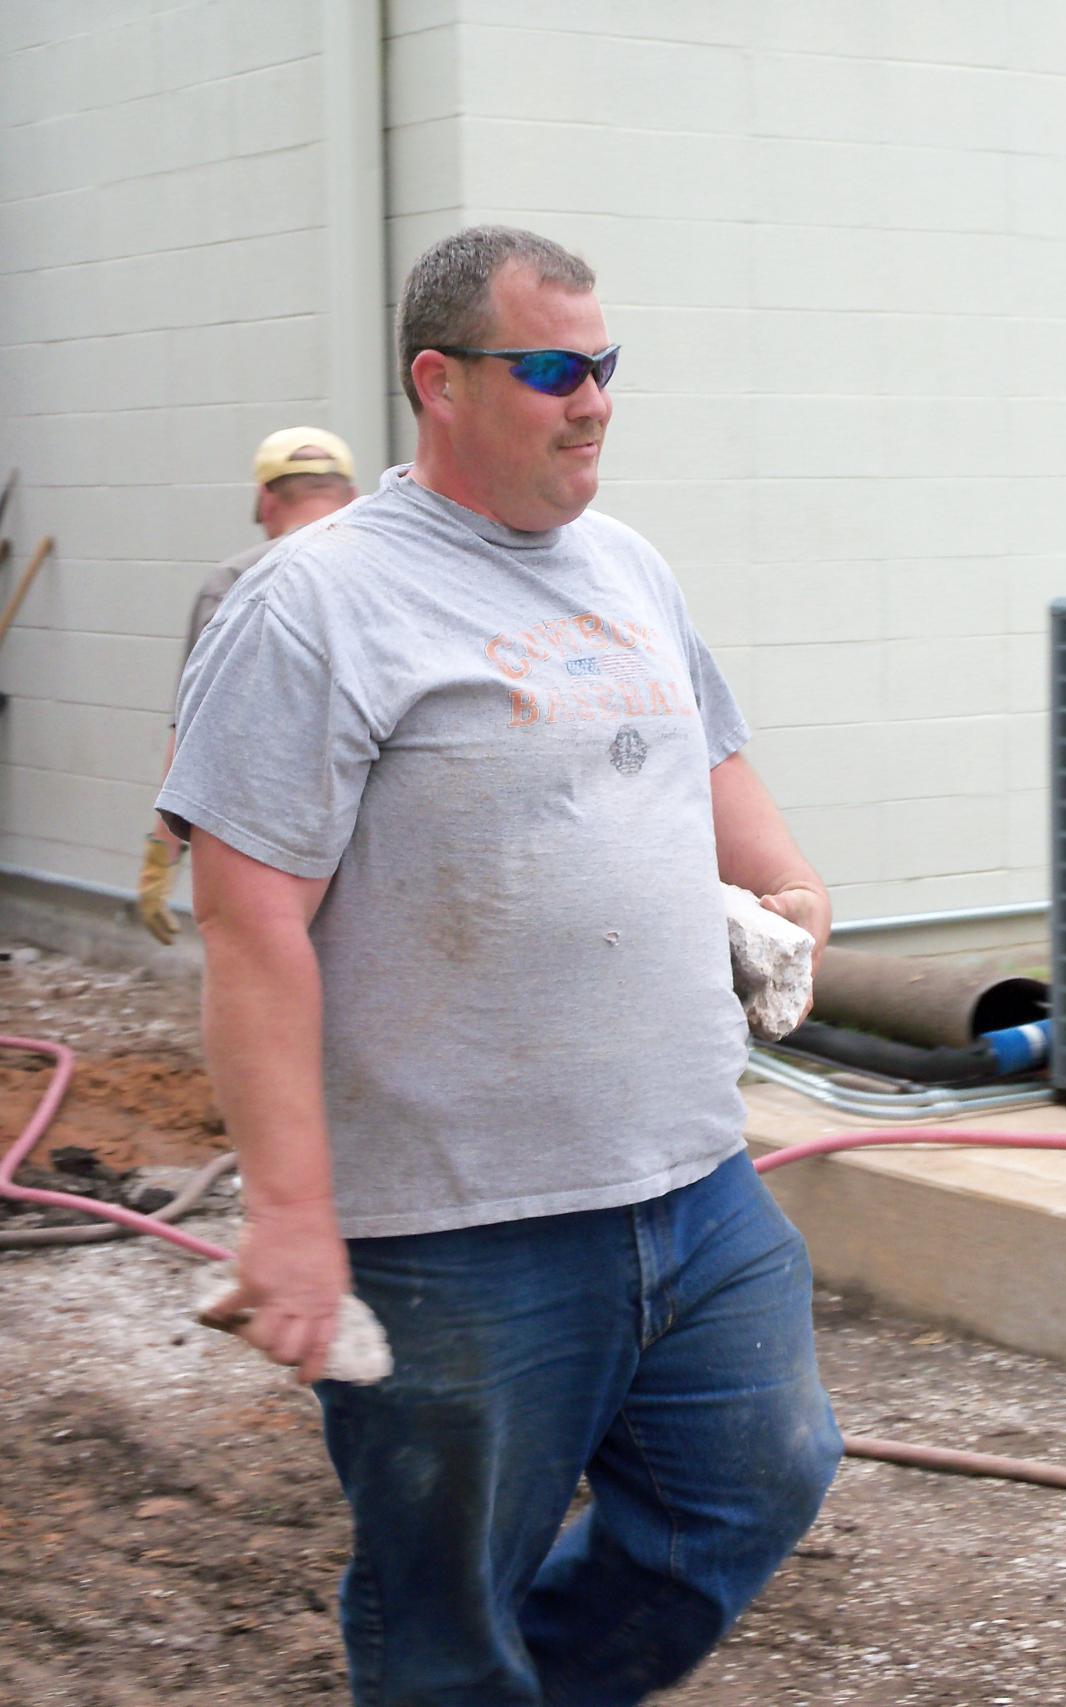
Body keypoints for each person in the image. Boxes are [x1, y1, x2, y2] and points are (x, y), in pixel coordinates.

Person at [158, 226, 843, 1706]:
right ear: (440, 381)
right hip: (459, 1229)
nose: (592, 400)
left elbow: (714, 768)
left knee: (754, 1480)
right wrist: (290, 1211)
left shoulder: (630, 566)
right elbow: (247, 921)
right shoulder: (319, 602)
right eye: (550, 369)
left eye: (603, 365)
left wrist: (787, 891)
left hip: (689, 1183)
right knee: (446, 1601)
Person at [135, 427, 357, 943]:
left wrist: (160, 856)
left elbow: (195, 739)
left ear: (265, 500)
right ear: (351, 495)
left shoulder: (236, 581)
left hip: (271, 851)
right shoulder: (399, 570)